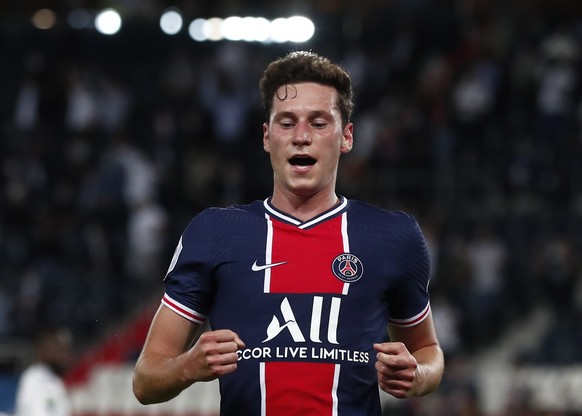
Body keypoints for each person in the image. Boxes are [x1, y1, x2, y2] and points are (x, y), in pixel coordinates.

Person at [132, 50, 444, 415]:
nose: (301, 136)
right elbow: (145, 380)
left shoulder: (393, 237)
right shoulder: (214, 232)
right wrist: (187, 366)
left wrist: (418, 374)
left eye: (318, 122)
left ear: (346, 136)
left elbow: (429, 351)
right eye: (286, 122)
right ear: (267, 137)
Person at [15, 325, 74, 416]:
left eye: (66, 350)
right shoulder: (38, 378)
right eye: (58, 349)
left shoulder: (51, 379)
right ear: (42, 350)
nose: (64, 355)